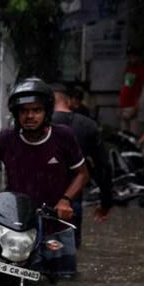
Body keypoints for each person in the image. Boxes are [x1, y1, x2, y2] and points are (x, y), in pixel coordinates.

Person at [0, 78, 89, 278]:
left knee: (64, 285)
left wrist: (66, 200)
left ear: (46, 112)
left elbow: (82, 174)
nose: (30, 116)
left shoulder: (64, 137)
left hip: (55, 225)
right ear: (16, 114)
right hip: (15, 228)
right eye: (24, 111)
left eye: (36, 110)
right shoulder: (6, 138)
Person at [51, 84, 113, 248]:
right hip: (72, 199)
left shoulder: (36, 125)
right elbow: (104, 166)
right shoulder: (87, 125)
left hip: (39, 200)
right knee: (71, 251)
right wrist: (106, 202)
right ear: (69, 101)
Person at [119, 52, 144, 133]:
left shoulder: (141, 70)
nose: (132, 58)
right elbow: (125, 88)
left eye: (134, 56)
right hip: (124, 106)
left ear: (138, 57)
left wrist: (136, 107)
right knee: (124, 135)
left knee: (133, 134)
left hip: (133, 106)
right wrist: (120, 106)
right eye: (130, 56)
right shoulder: (128, 69)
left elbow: (142, 91)